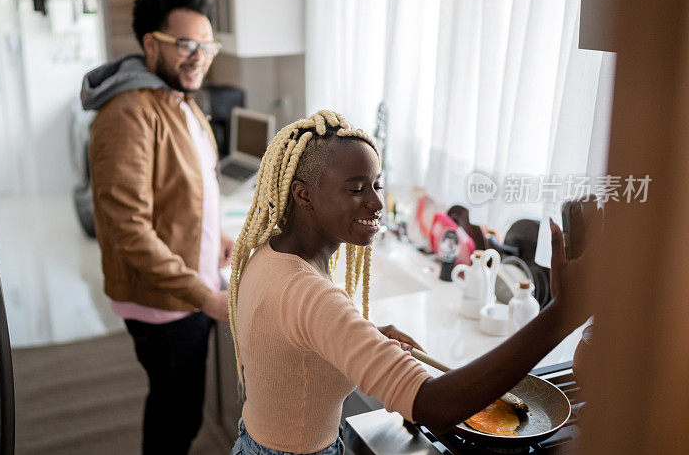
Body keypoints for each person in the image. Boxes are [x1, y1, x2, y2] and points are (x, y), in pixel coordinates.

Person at [227, 111, 591, 455]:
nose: (376, 202)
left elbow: (296, 347)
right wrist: (561, 315)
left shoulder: (271, 255)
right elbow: (434, 407)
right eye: (356, 189)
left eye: (377, 184)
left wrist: (363, 336)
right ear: (303, 194)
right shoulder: (308, 293)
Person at [81, 0, 233, 455]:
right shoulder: (127, 111)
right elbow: (129, 228)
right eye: (186, 44)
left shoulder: (179, 100)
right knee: (176, 417)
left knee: (177, 407)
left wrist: (217, 238)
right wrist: (204, 297)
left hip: (189, 285)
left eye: (207, 45)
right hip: (164, 301)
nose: (200, 56)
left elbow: (184, 192)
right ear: (151, 44)